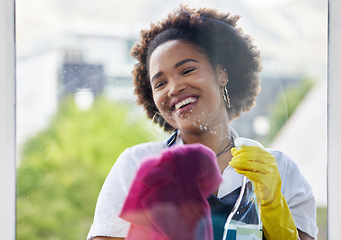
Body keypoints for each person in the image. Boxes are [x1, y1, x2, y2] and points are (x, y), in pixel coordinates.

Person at [87, 5, 318, 240]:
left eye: (187, 70)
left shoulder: (280, 170)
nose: (174, 88)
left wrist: (276, 214)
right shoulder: (136, 166)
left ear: (221, 74)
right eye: (160, 84)